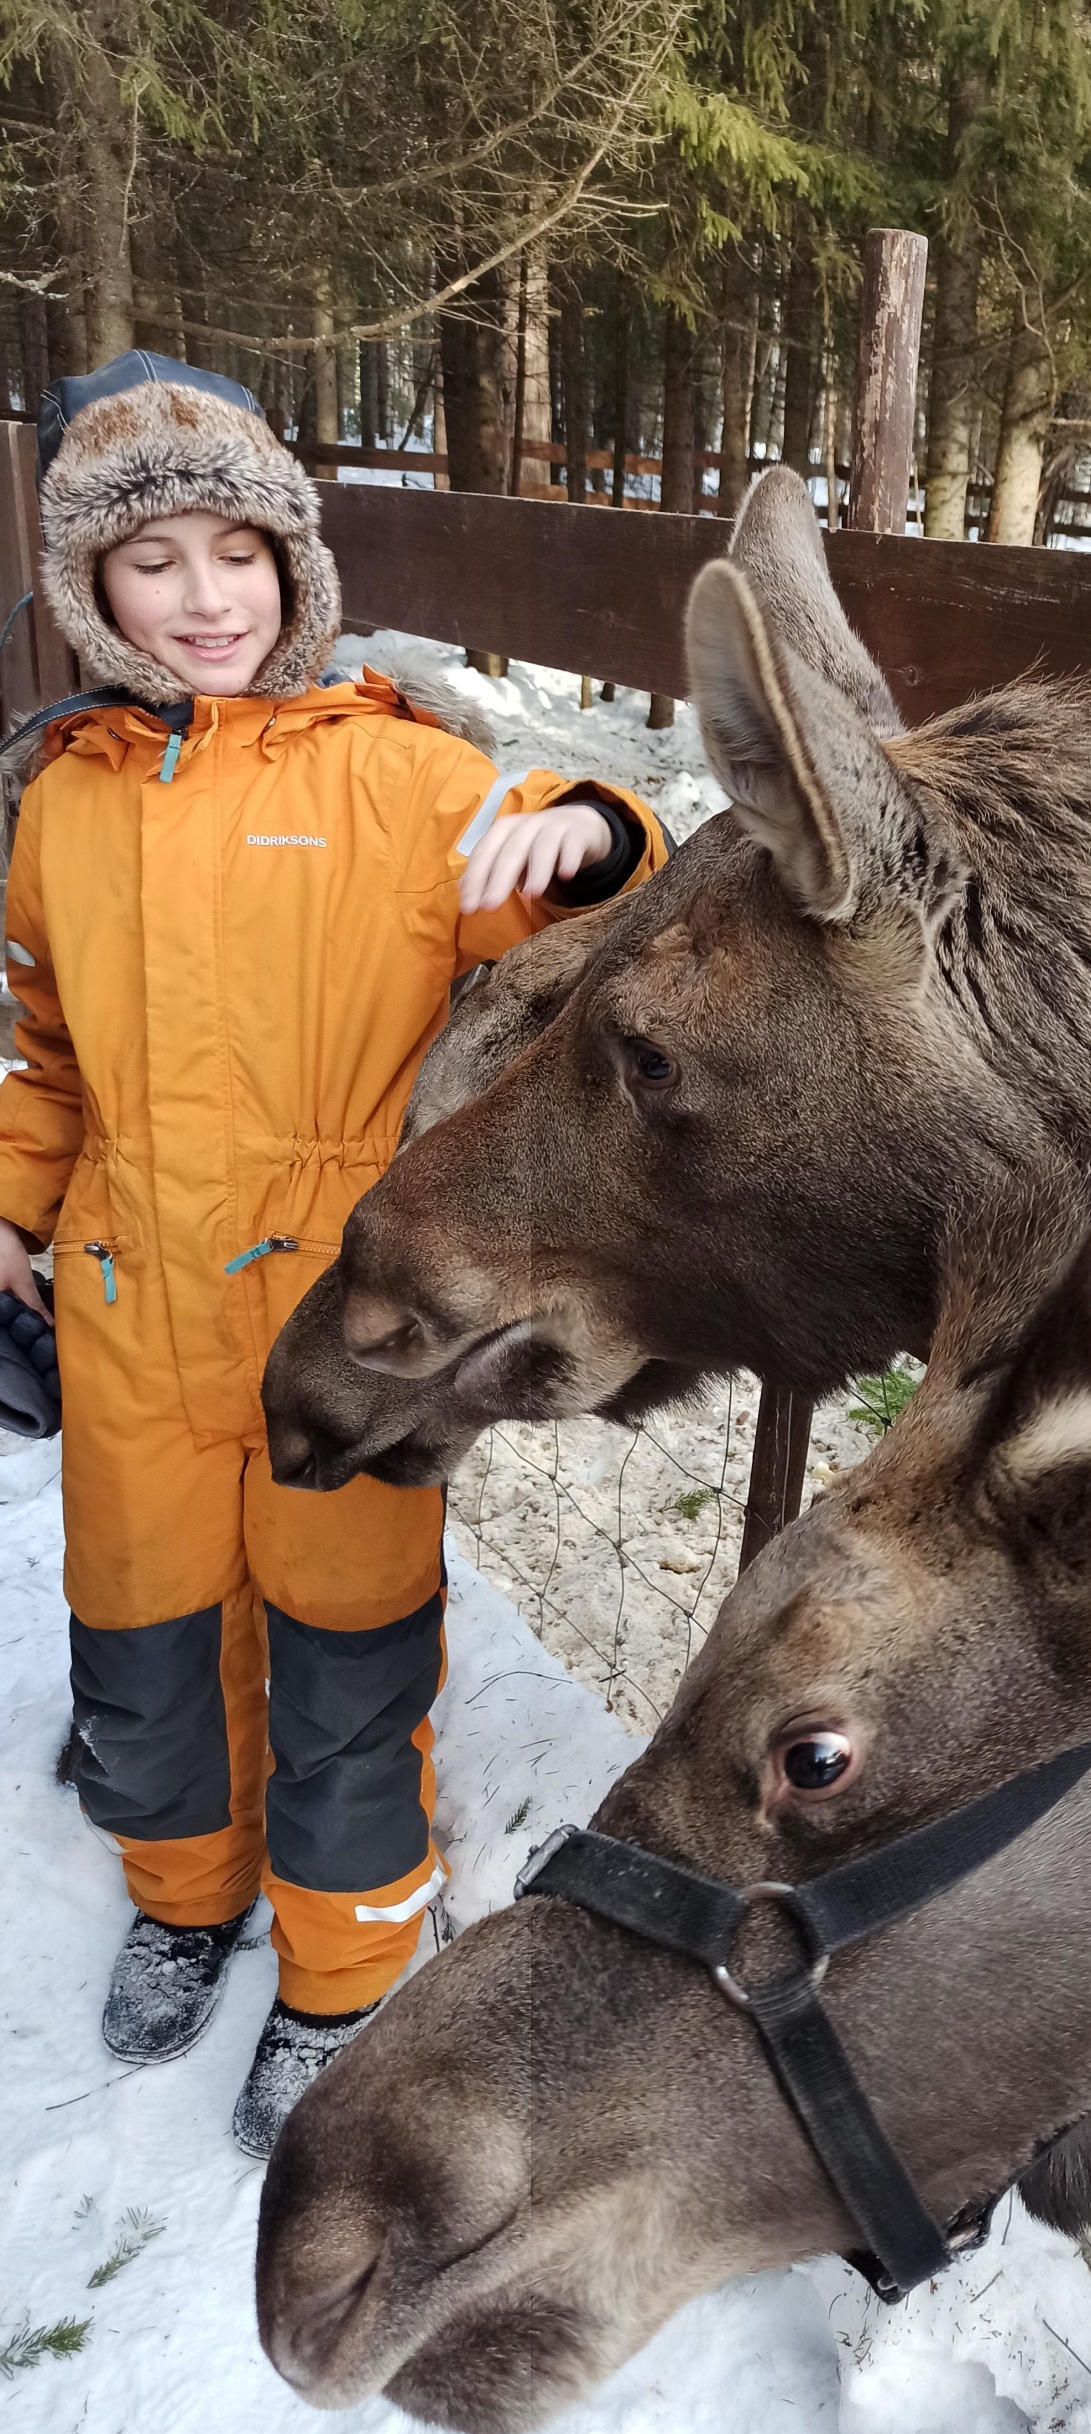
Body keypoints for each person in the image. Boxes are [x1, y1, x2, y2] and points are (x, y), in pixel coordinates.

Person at [0, 352, 669, 2155]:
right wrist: (12, 1211)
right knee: (141, 1641)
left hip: (346, 1319)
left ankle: (346, 1962)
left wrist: (601, 830)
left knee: (347, 1651)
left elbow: (583, 886)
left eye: (239, 550)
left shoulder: (397, 775)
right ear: (89, 590)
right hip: (132, 1294)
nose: (204, 597)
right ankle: (184, 1890)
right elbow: (48, 1057)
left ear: (295, 563)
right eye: (154, 564)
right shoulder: (60, 803)